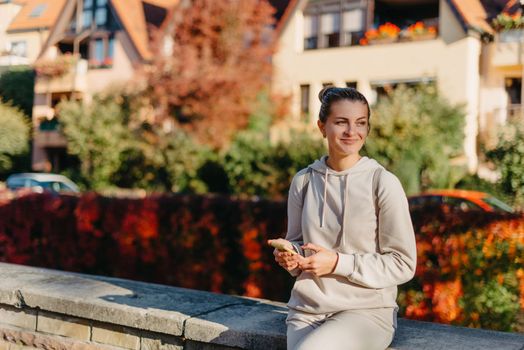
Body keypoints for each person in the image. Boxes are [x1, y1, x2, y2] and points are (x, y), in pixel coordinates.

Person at [268, 87, 417, 350]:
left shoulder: (382, 182)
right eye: (341, 122)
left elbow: (403, 263)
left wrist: (338, 263)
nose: (352, 132)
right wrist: (291, 256)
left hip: (367, 312)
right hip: (307, 311)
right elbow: (299, 244)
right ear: (322, 127)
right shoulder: (304, 180)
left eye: (360, 123)